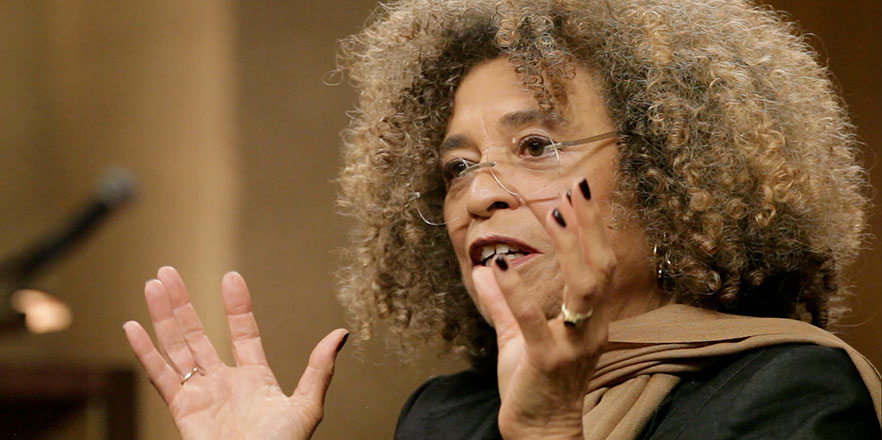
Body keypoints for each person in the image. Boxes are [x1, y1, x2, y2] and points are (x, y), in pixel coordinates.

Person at [124, 0, 882, 439]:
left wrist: (552, 426)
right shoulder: (444, 417)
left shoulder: (793, 393)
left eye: (536, 145)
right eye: (457, 167)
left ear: (667, 172)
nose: (480, 194)